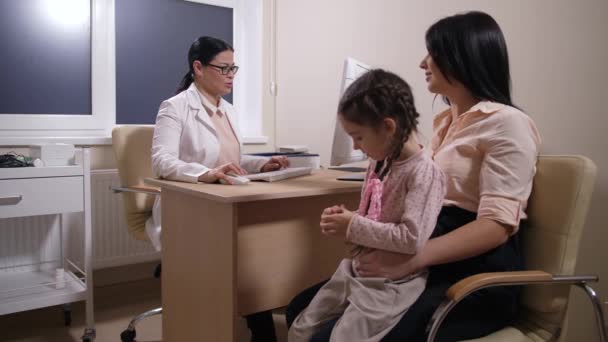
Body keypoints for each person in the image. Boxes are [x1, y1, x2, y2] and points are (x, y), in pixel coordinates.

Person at [286, 11, 541, 341]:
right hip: (420, 255)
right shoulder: (443, 125)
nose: (423, 63)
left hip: (471, 269)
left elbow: (496, 227)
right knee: (298, 309)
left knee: (326, 336)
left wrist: (411, 259)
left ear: (462, 58)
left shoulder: (507, 124)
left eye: (432, 53)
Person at [288, 69, 446, 342]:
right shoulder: (381, 162)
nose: (355, 145)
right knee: (301, 328)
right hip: (357, 269)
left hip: (392, 283)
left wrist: (353, 225)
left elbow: (411, 239)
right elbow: (371, 216)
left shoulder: (424, 173)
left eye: (359, 137)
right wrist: (349, 218)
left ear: (388, 127)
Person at [149, 36, 287, 342]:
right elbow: (162, 161)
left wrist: (261, 165)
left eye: (233, 68)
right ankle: (260, 326)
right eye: (223, 68)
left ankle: (259, 319)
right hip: (189, 208)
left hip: (228, 201)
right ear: (198, 67)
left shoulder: (229, 110)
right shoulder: (175, 108)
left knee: (262, 245)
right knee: (248, 253)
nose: (230, 76)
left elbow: (230, 161)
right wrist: (205, 174)